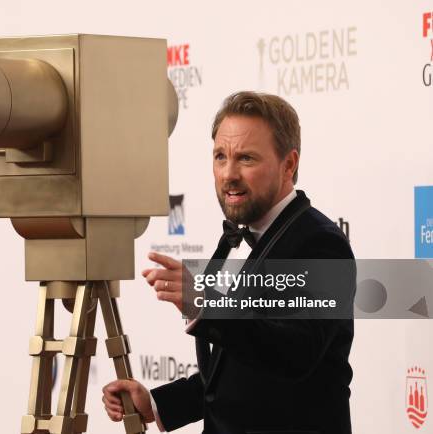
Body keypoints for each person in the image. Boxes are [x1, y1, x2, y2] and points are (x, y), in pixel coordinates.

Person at [102, 91, 354, 434]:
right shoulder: (240, 236)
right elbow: (236, 370)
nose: (228, 174)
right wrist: (157, 403)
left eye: (246, 158)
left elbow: (296, 353)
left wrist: (207, 304)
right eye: (221, 156)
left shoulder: (319, 243)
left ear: (289, 164)